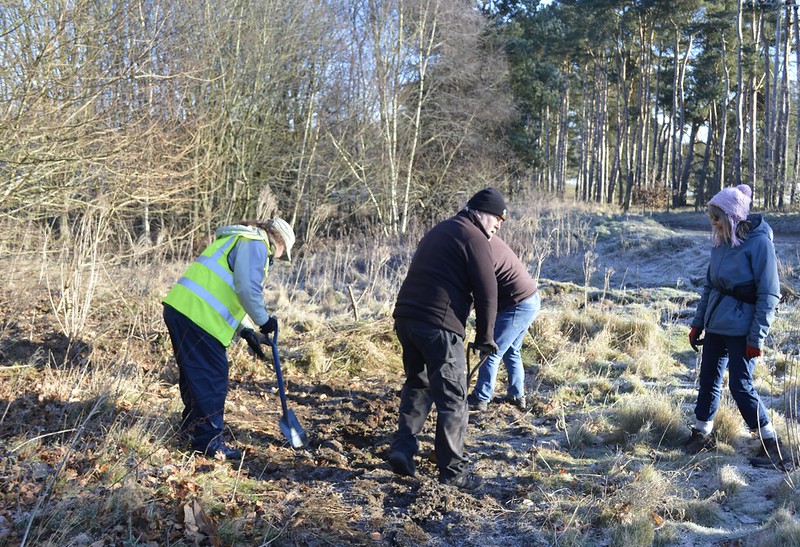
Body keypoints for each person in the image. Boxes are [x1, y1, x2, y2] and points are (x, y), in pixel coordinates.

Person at [388, 187, 505, 491]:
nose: (498, 225)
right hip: (439, 325)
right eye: (497, 218)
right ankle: (453, 472)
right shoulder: (474, 237)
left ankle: (403, 450)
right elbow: (487, 291)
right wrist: (486, 336)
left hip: (406, 318)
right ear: (482, 213)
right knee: (453, 398)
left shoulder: (441, 229)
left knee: (418, 384)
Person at [162, 218, 295, 460]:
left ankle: (191, 431)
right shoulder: (255, 244)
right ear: (280, 243)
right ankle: (208, 442)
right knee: (212, 378)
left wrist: (246, 331)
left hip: (184, 310)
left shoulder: (238, 240)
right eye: (282, 253)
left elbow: (229, 292)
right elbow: (247, 289)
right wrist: (264, 321)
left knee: (196, 376)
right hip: (198, 317)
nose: (278, 258)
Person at [684, 184, 785, 469]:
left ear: (733, 217)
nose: (713, 224)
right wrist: (697, 323)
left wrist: (757, 337)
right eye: (711, 218)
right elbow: (710, 287)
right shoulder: (720, 242)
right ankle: (702, 433)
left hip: (743, 330)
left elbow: (769, 293)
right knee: (708, 380)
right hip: (716, 325)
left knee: (741, 386)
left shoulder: (760, 243)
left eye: (717, 218)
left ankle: (770, 443)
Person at [467, 235, 540, 412]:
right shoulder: (486, 241)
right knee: (512, 351)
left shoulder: (478, 248)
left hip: (518, 304)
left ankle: (480, 397)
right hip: (530, 300)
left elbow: (480, 292)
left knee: (491, 351)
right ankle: (516, 396)